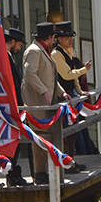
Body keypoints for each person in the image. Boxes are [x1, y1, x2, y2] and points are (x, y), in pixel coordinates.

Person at [21, 22, 64, 185]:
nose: (55, 40)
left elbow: (51, 77)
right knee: (39, 136)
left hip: (47, 101)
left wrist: (61, 92)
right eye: (53, 37)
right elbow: (29, 74)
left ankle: (46, 171)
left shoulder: (44, 51)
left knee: (47, 135)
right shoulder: (34, 51)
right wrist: (43, 91)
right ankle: (40, 173)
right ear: (48, 37)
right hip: (37, 101)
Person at [51, 22, 96, 158]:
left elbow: (73, 77)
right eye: (66, 37)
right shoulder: (56, 54)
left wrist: (80, 91)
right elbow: (67, 74)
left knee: (73, 131)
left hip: (70, 95)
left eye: (71, 37)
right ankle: (66, 162)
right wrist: (84, 70)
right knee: (66, 131)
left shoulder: (67, 52)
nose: (70, 39)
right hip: (61, 96)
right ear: (59, 39)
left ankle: (71, 160)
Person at [4, 27, 28, 187]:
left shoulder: (9, 57)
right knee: (12, 142)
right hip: (10, 107)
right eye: (19, 45)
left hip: (15, 106)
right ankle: (12, 174)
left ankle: (13, 172)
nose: (19, 48)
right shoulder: (5, 57)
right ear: (12, 42)